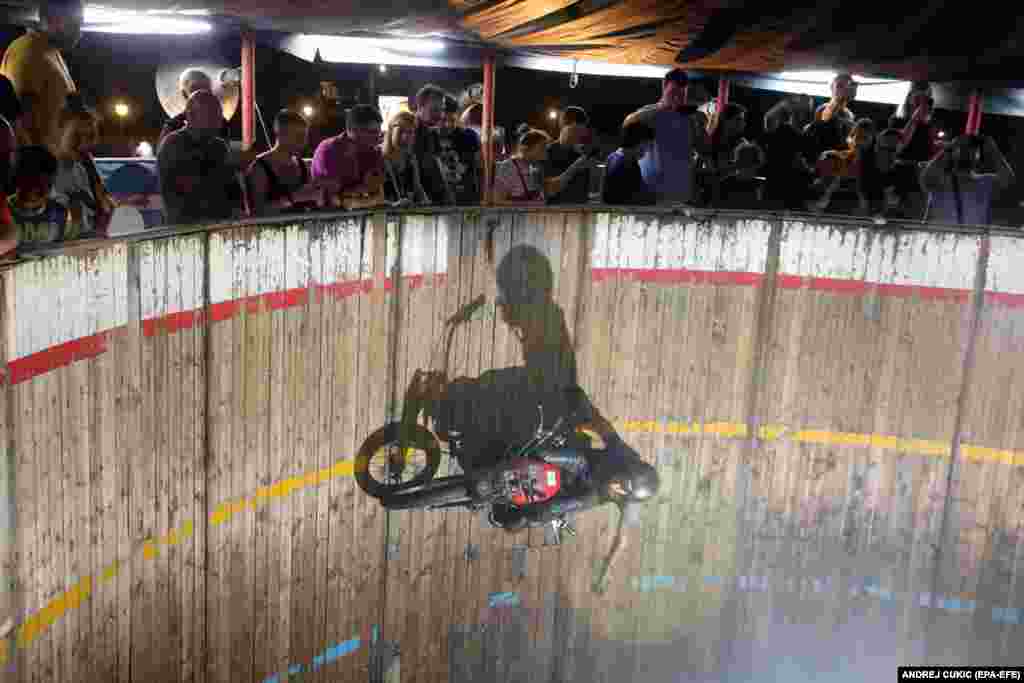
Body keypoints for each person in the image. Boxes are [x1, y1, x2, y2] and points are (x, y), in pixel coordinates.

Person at [0, 0, 81, 152]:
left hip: (58, 162)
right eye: (73, 23)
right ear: (50, 19)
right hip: (40, 166)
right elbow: (20, 119)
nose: (79, 31)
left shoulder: (51, 52)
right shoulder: (28, 51)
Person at [622, 68, 709, 204]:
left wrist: (700, 125)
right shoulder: (648, 114)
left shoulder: (691, 118)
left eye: (682, 95)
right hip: (651, 191)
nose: (677, 98)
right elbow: (627, 125)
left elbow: (704, 150)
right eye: (673, 92)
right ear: (664, 87)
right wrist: (662, 109)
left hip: (682, 193)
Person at [157, 90, 243, 225]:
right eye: (212, 114)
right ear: (191, 116)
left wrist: (237, 209)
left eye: (218, 114)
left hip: (218, 226)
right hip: (187, 230)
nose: (219, 120)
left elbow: (232, 186)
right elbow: (188, 194)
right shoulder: (173, 144)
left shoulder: (219, 146)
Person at [52, 96, 116, 237]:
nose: (84, 144)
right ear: (60, 130)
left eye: (91, 136)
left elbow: (104, 205)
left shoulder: (85, 165)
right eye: (76, 137)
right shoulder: (51, 170)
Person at [921, 134, 1015, 226]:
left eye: (972, 149)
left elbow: (1008, 180)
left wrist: (992, 148)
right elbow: (927, 177)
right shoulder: (940, 180)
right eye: (962, 148)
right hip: (935, 239)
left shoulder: (985, 183)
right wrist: (950, 147)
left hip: (969, 240)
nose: (966, 152)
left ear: (978, 156)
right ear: (954, 153)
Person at [311, 103, 387, 211]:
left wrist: (355, 196)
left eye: (379, 132)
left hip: (360, 217)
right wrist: (363, 193)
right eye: (372, 132)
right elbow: (336, 199)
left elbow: (378, 195)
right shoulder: (329, 149)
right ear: (352, 130)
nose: (378, 138)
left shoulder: (373, 151)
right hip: (328, 218)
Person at [491, 129, 594, 206]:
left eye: (546, 148)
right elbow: (497, 201)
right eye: (542, 147)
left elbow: (553, 188)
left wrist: (575, 166)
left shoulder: (535, 169)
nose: (546, 153)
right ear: (525, 148)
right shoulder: (507, 167)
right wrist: (529, 205)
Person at [245, 109, 317, 216]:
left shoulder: (304, 166)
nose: (302, 142)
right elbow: (256, 212)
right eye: (298, 136)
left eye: (304, 136)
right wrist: (293, 198)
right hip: (270, 231)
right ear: (281, 134)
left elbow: (313, 204)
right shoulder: (259, 168)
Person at [5, 145, 74, 251]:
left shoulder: (61, 214)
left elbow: (66, 250)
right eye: (30, 183)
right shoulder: (3, 212)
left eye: (42, 185)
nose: (34, 191)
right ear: (17, 181)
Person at [761, 96, 815, 210]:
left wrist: (805, 167)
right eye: (800, 108)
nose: (802, 112)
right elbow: (769, 118)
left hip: (798, 191)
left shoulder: (809, 135)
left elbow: (811, 166)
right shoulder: (781, 129)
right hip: (775, 187)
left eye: (806, 109)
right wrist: (785, 103)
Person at [157, 68, 230, 146]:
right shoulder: (173, 125)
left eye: (205, 90)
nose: (201, 94)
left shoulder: (221, 124)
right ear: (184, 94)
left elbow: (223, 154)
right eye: (195, 89)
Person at [543, 106, 596, 205]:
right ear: (564, 126)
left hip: (578, 214)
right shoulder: (547, 153)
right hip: (554, 215)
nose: (582, 134)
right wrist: (575, 167)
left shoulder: (580, 154)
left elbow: (584, 194)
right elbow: (549, 190)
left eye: (583, 130)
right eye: (577, 129)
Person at [434, 94, 481, 205]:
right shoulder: (430, 136)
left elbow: (478, 168)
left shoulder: (469, 136)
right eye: (443, 120)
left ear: (458, 116)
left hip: (466, 196)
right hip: (439, 198)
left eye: (452, 120)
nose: (448, 124)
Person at [803, 73, 858, 162]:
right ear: (832, 88)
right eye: (839, 86)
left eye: (848, 86)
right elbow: (825, 119)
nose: (844, 89)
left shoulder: (849, 115)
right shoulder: (824, 108)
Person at [381, 109, 429, 207]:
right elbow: (373, 195)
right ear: (391, 131)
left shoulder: (410, 158)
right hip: (384, 214)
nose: (406, 137)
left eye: (411, 132)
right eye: (402, 131)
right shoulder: (379, 156)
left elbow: (418, 188)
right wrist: (393, 205)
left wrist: (426, 204)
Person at [602, 120, 656, 205]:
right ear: (640, 143)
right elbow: (636, 198)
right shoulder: (628, 162)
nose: (647, 151)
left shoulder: (612, 157)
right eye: (648, 145)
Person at [411, 83, 448, 203]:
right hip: (418, 203)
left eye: (442, 110)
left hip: (434, 199)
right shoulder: (410, 132)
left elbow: (438, 165)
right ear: (420, 107)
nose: (440, 115)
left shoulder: (432, 132)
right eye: (434, 110)